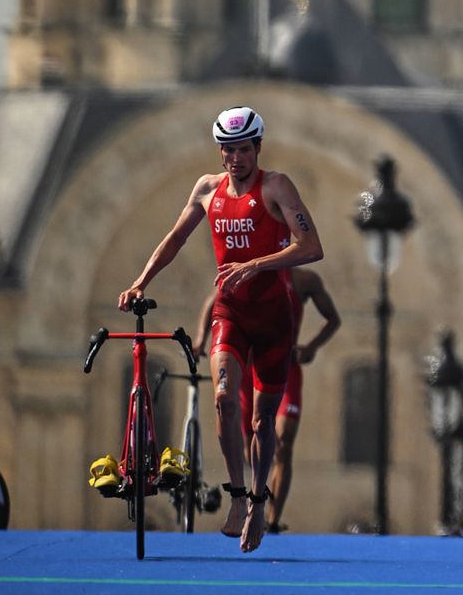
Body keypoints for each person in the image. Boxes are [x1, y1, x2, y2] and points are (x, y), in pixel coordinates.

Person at [117, 105, 323, 554]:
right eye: (227, 150)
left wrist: (256, 264)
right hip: (231, 313)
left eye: (243, 150)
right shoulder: (206, 190)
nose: (235, 159)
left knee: (261, 420)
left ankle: (258, 503)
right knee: (224, 399)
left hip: (274, 319)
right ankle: (235, 495)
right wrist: (140, 282)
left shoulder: (276, 187)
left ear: (257, 148)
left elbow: (311, 247)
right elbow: (175, 238)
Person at [195, 264, 341, 533]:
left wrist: (311, 346)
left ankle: (273, 518)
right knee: (252, 438)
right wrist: (201, 340)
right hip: (249, 367)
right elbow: (214, 300)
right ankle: (254, 496)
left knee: (284, 441)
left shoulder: (305, 279)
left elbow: (333, 319)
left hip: (285, 365)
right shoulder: (249, 272)